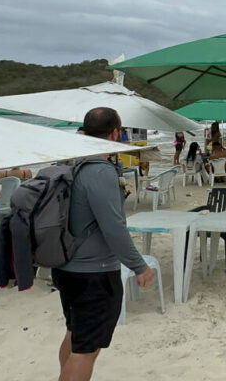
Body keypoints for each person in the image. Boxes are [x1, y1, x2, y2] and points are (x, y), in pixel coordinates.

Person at [54, 107, 152, 381]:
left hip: (67, 267)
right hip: (93, 274)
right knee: (87, 350)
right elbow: (114, 228)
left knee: (75, 336)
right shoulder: (100, 171)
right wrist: (138, 265)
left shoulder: (74, 165)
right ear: (116, 134)